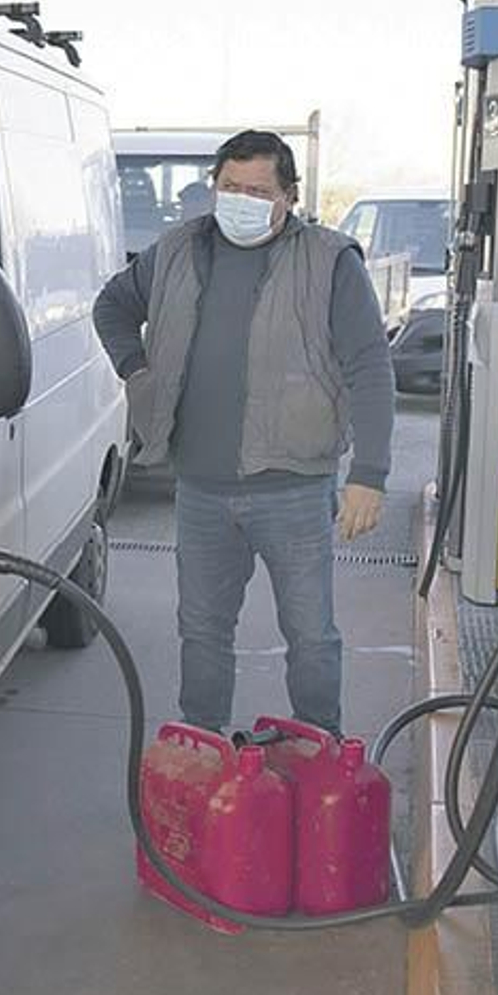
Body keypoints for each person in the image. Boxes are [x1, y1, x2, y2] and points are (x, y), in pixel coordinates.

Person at [92, 129, 395, 738]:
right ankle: (203, 747)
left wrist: (370, 475)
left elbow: (370, 367)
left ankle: (320, 746)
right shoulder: (177, 249)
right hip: (200, 488)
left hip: (294, 487)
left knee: (310, 635)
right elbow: (112, 306)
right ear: (213, 187)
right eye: (230, 187)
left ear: (289, 196)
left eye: (258, 190)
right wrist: (138, 371)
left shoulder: (330, 261)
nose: (241, 200)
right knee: (202, 631)